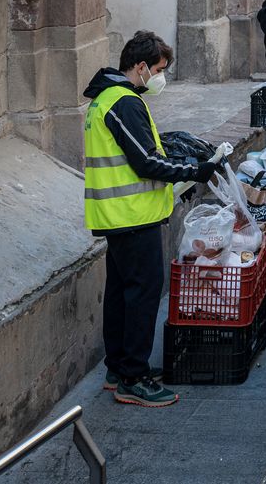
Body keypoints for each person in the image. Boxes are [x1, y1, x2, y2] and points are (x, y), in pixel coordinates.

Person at [83, 31, 219, 408]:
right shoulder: (123, 103)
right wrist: (196, 169)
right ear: (140, 67)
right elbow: (147, 162)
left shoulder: (106, 100)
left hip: (120, 215)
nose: (160, 77)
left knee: (121, 293)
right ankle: (134, 377)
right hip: (130, 216)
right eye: (158, 70)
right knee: (142, 294)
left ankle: (119, 367)